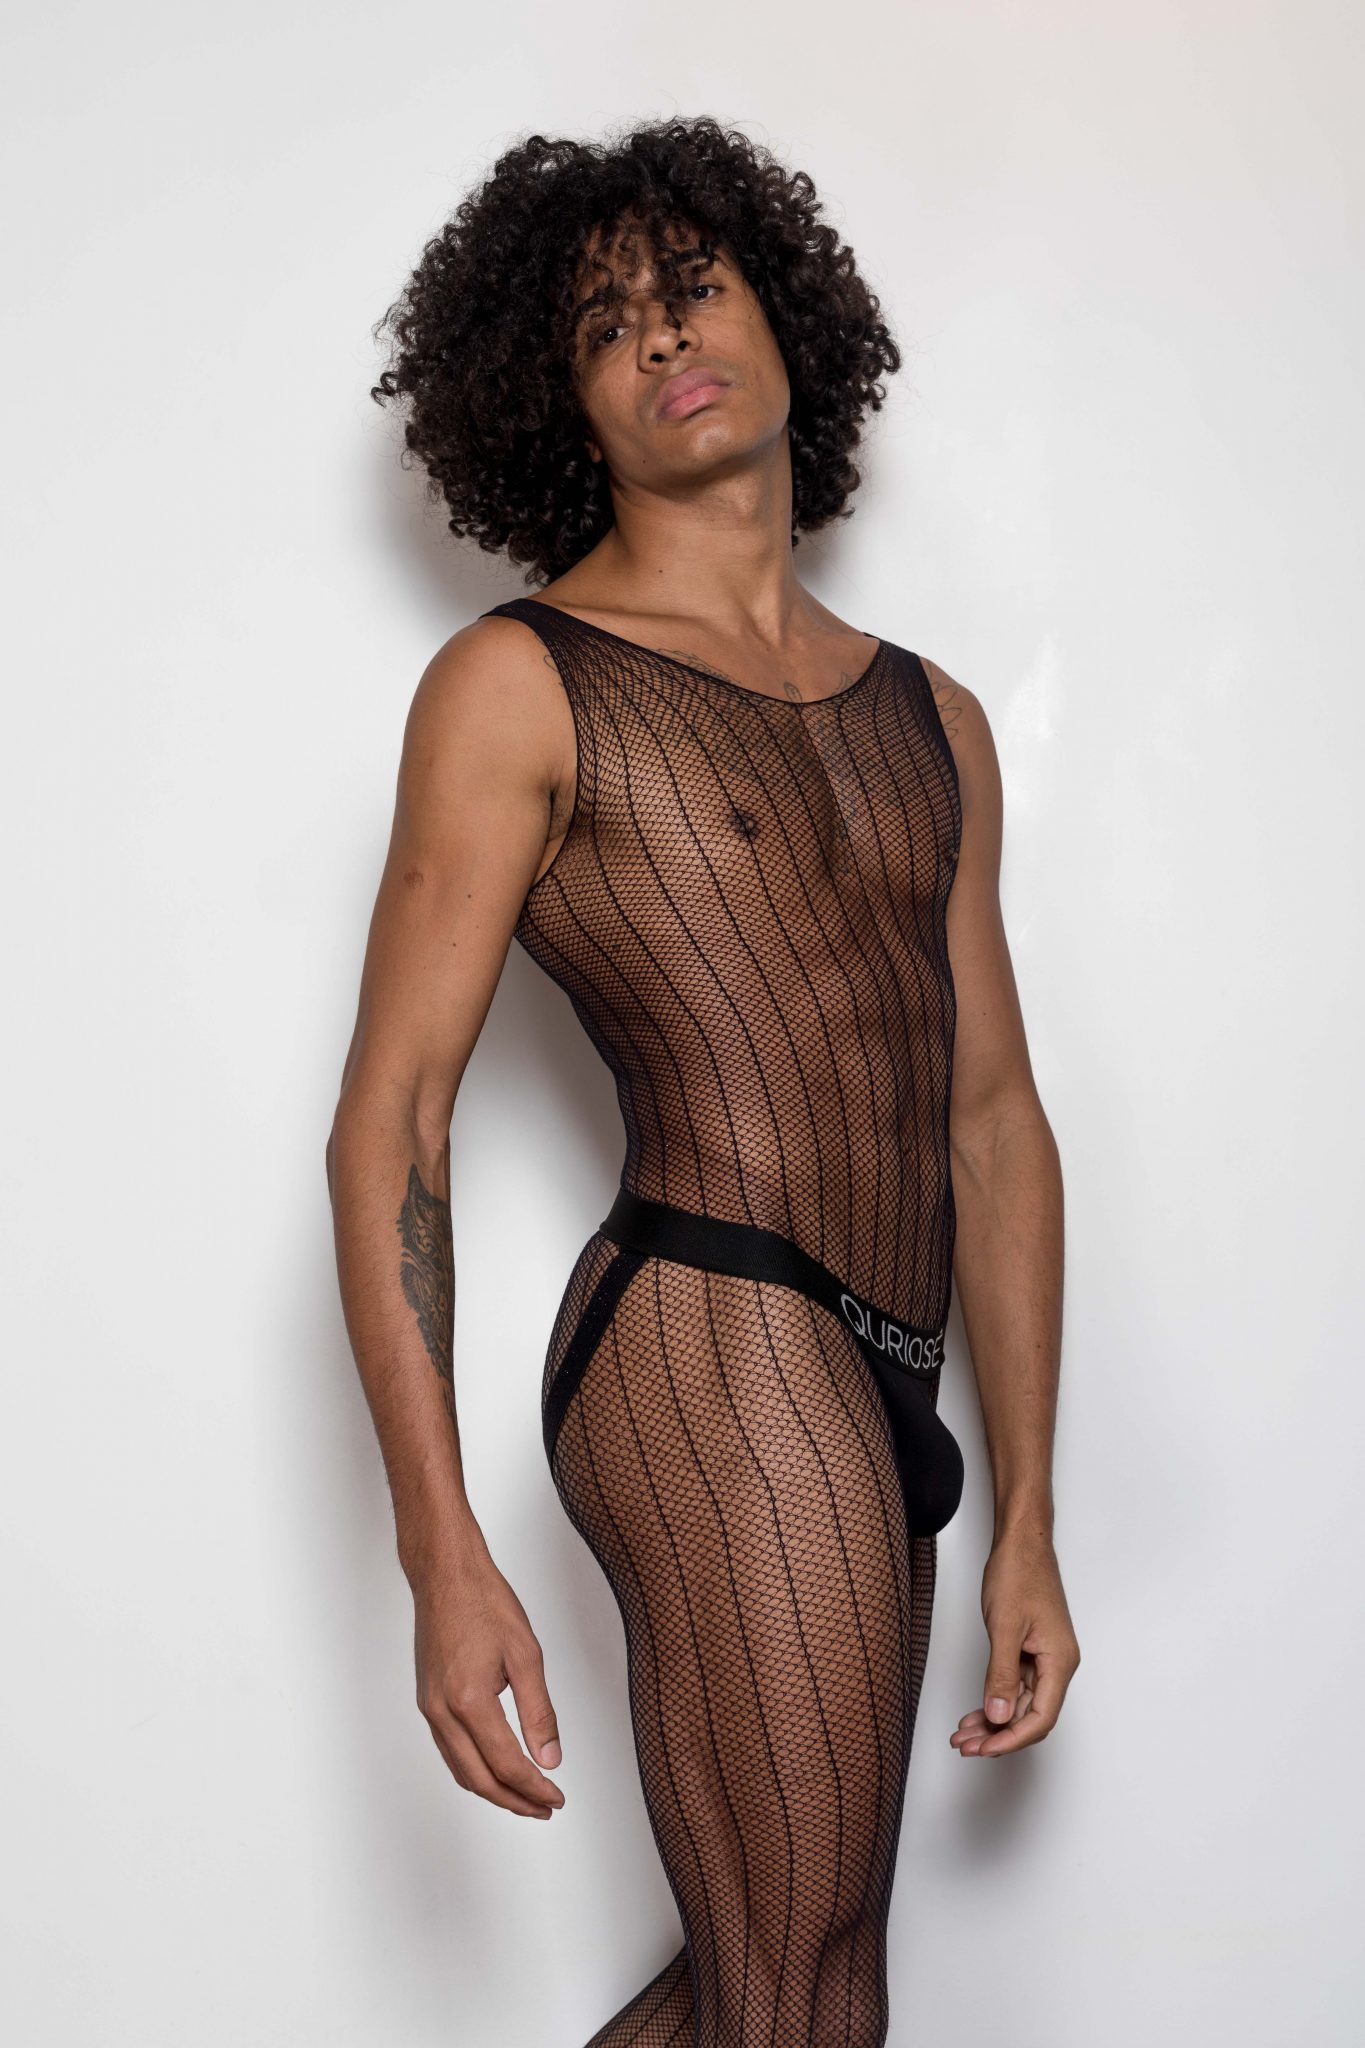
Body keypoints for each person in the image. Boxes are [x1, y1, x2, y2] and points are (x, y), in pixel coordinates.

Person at [326, 114, 1079, 2047]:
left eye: (694, 286)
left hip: (892, 1364)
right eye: (604, 325)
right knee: (806, 1985)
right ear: (558, 406)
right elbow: (394, 1119)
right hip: (709, 1324)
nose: (662, 334)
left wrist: (1028, 1514)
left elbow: (990, 1121)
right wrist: (436, 1549)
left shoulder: (934, 718)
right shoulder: (520, 681)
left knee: (787, 1981)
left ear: (782, 316)